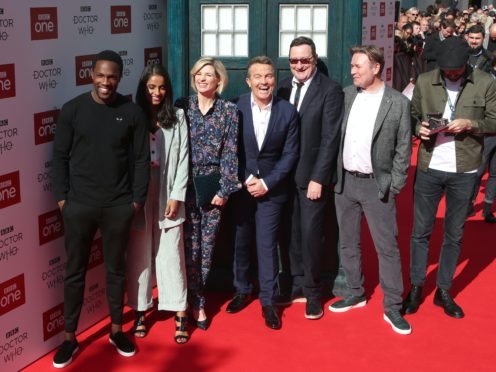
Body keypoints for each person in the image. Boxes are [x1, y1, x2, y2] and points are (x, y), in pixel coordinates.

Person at [52, 50, 150, 367]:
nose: (106, 82)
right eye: (101, 75)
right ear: (91, 74)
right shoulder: (72, 110)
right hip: (78, 206)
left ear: (119, 78)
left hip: (117, 207)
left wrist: (135, 201)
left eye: (112, 76)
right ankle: (69, 338)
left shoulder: (132, 113)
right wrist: (63, 200)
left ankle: (116, 330)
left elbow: (140, 160)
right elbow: (60, 159)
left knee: (116, 271)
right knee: (74, 272)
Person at [404, 37, 496, 319]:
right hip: (430, 166)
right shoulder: (424, 80)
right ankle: (417, 286)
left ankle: (444, 290)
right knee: (420, 232)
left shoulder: (485, 82)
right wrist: (417, 127)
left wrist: (471, 124)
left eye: (456, 70)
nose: (451, 74)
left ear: (466, 64)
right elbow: (411, 114)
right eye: (446, 70)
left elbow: (494, 121)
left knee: (454, 235)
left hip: (465, 168)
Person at [328, 46, 412, 335]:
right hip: (345, 183)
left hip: (377, 185)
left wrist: (395, 183)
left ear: (376, 68)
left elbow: (403, 148)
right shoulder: (347, 95)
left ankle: (392, 307)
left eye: (358, 66)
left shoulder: (397, 102)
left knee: (386, 248)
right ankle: (355, 291)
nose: (352, 71)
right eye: (352, 65)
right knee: (348, 243)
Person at [226, 56, 299, 330]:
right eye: (257, 76)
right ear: (248, 81)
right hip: (242, 188)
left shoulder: (287, 111)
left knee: (267, 245)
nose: (264, 82)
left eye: (268, 76)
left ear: (274, 79)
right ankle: (242, 289)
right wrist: (246, 178)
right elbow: (230, 148)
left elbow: (291, 154)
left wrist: (266, 182)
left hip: (272, 190)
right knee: (240, 241)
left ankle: (268, 300)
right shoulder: (235, 107)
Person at [276, 36, 343, 319]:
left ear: (314, 59)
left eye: (305, 59)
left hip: (311, 178)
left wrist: (319, 177)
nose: (299, 65)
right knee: (290, 235)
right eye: (294, 60)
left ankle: (314, 292)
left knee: (312, 235)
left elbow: (330, 139)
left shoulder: (330, 90)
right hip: (284, 177)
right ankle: (296, 285)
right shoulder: (281, 89)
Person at [126, 64, 190, 343]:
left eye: (162, 86)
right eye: (151, 87)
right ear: (143, 88)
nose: (157, 92)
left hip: (168, 188)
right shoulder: (132, 116)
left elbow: (184, 158)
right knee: (140, 252)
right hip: (139, 190)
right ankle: (140, 310)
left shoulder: (176, 116)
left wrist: (177, 195)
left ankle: (179, 312)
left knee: (171, 253)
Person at [175, 57, 240, 330]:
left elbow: (230, 152)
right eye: (198, 74)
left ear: (219, 80)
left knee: (207, 249)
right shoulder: (182, 107)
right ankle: (188, 300)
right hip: (183, 186)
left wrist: (224, 189)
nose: (203, 78)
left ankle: (199, 301)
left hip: (213, 186)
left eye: (209, 74)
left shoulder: (228, 111)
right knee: (188, 248)